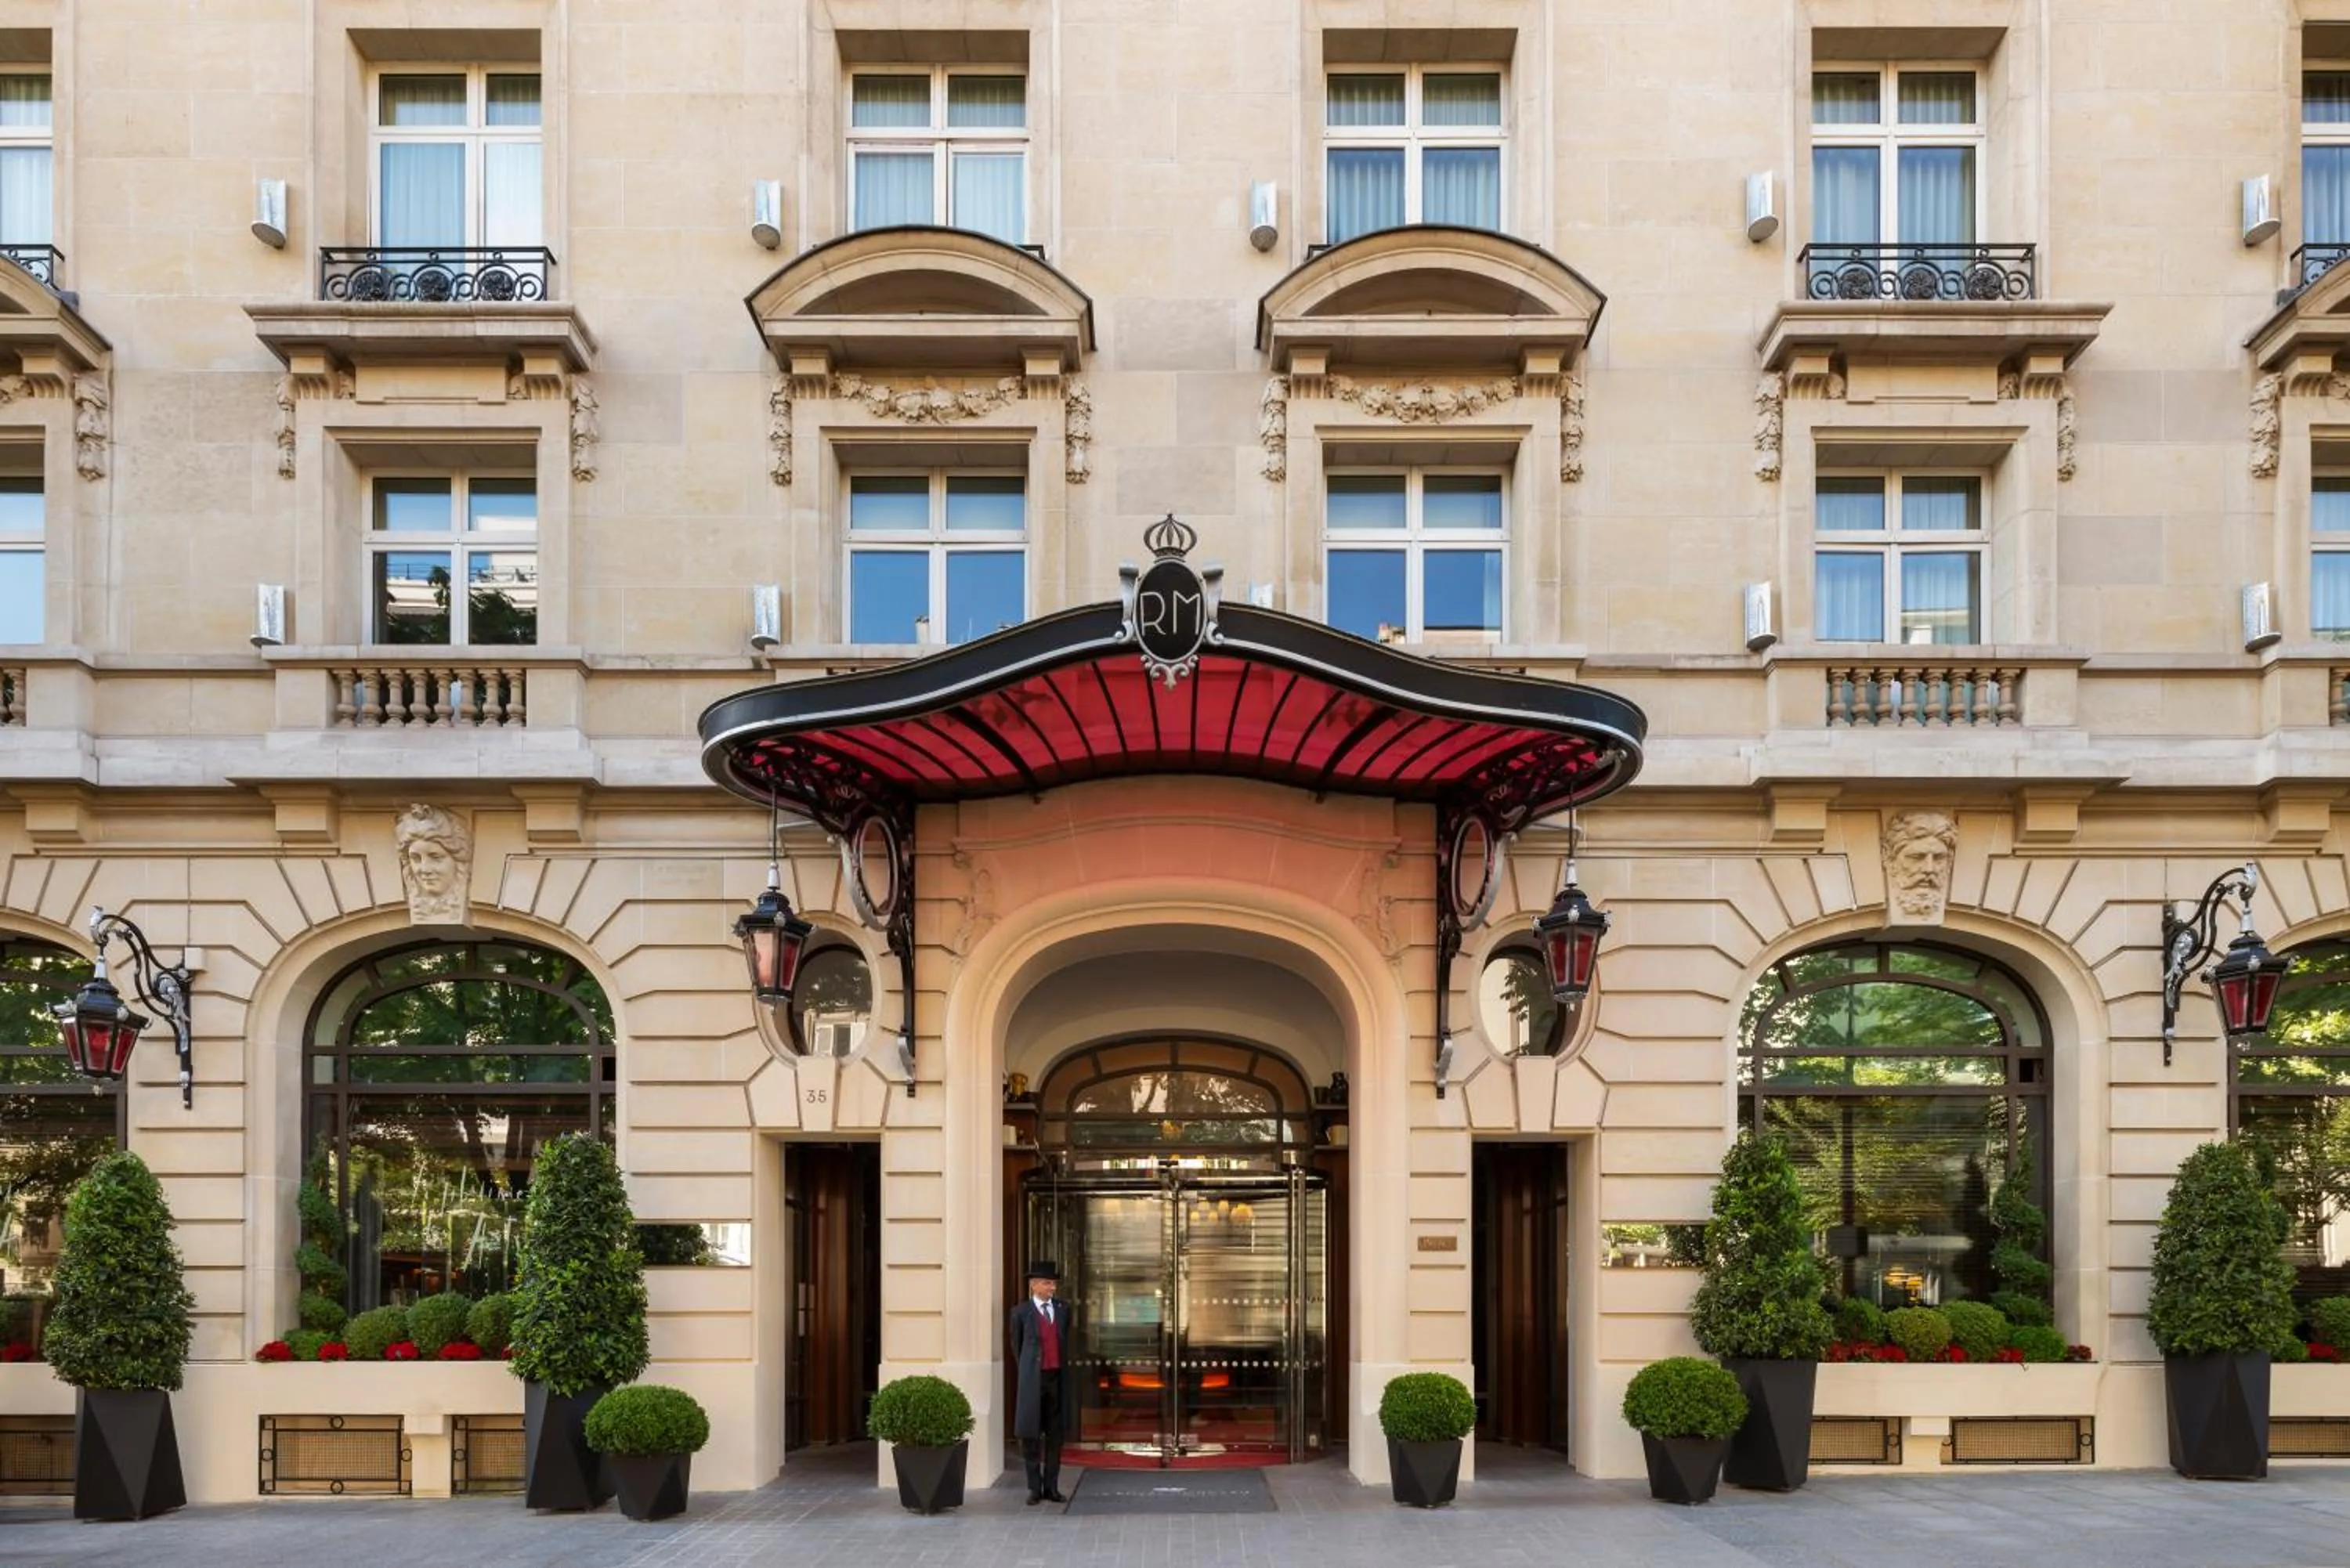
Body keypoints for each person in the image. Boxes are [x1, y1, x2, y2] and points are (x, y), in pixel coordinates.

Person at [1007, 1260, 1072, 1505]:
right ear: (1034, 1285)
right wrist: (1029, 1371)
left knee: (1055, 1436)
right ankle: (1034, 1488)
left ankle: (1051, 1488)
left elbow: (1064, 1341)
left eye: (1054, 1283)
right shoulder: (1021, 1312)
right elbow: (1018, 1347)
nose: (1052, 1288)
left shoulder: (1063, 1309)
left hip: (1056, 1379)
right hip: (1034, 1381)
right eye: (1047, 1283)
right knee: (1031, 1435)